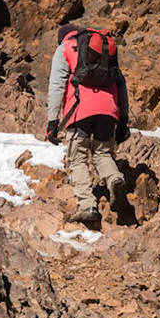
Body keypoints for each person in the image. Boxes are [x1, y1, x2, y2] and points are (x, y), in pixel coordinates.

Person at [45, 21, 130, 227]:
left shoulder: (65, 48)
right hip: (109, 110)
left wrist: (52, 122)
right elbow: (121, 83)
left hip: (80, 110)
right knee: (103, 154)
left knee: (77, 159)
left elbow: (57, 85)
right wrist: (123, 120)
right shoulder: (104, 50)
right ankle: (114, 180)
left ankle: (87, 206)